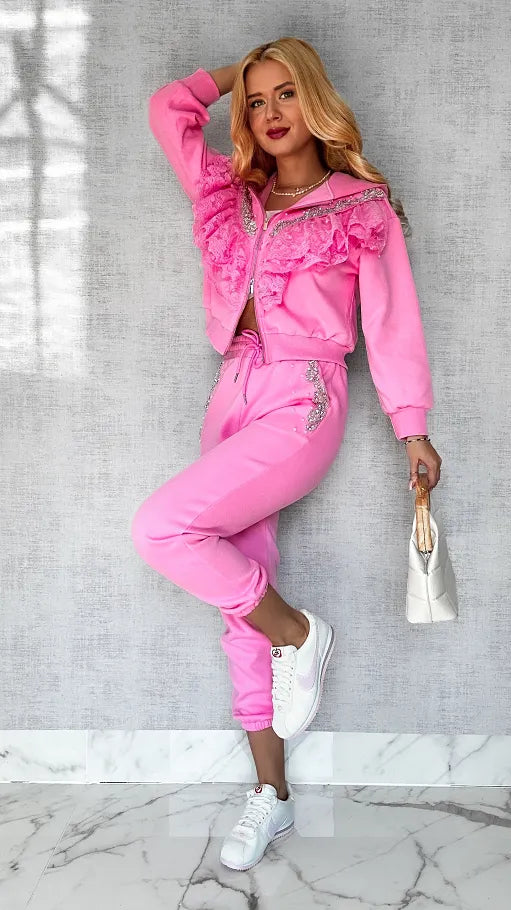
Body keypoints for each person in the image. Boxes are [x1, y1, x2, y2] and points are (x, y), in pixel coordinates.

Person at [131, 37, 442, 871]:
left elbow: (391, 320)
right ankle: (270, 795)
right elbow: (168, 109)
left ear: (315, 99)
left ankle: (301, 632)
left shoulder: (358, 206)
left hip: (303, 397)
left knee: (161, 529)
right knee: (237, 594)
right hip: (230, 392)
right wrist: (237, 68)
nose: (269, 112)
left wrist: (411, 425)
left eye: (286, 93)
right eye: (256, 99)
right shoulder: (230, 195)